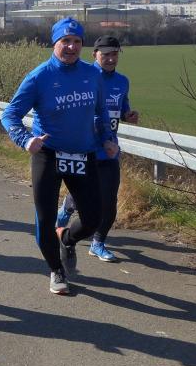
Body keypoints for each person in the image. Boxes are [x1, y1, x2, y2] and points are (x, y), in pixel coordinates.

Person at [1, 17, 117, 295]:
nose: (71, 47)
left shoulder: (92, 75)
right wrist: (25, 140)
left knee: (93, 218)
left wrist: (107, 138)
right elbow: (10, 114)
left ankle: (67, 237)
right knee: (45, 218)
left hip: (84, 154)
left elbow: (101, 113)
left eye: (77, 41)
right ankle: (56, 270)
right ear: (54, 43)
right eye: (65, 41)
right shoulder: (39, 76)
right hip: (49, 155)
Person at [56, 35, 139, 262]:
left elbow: (121, 107)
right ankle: (68, 207)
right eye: (106, 55)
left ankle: (98, 243)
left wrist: (128, 115)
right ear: (94, 54)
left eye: (115, 54)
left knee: (109, 202)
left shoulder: (122, 81)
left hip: (110, 150)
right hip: (84, 148)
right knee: (84, 197)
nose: (111, 59)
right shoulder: (83, 76)